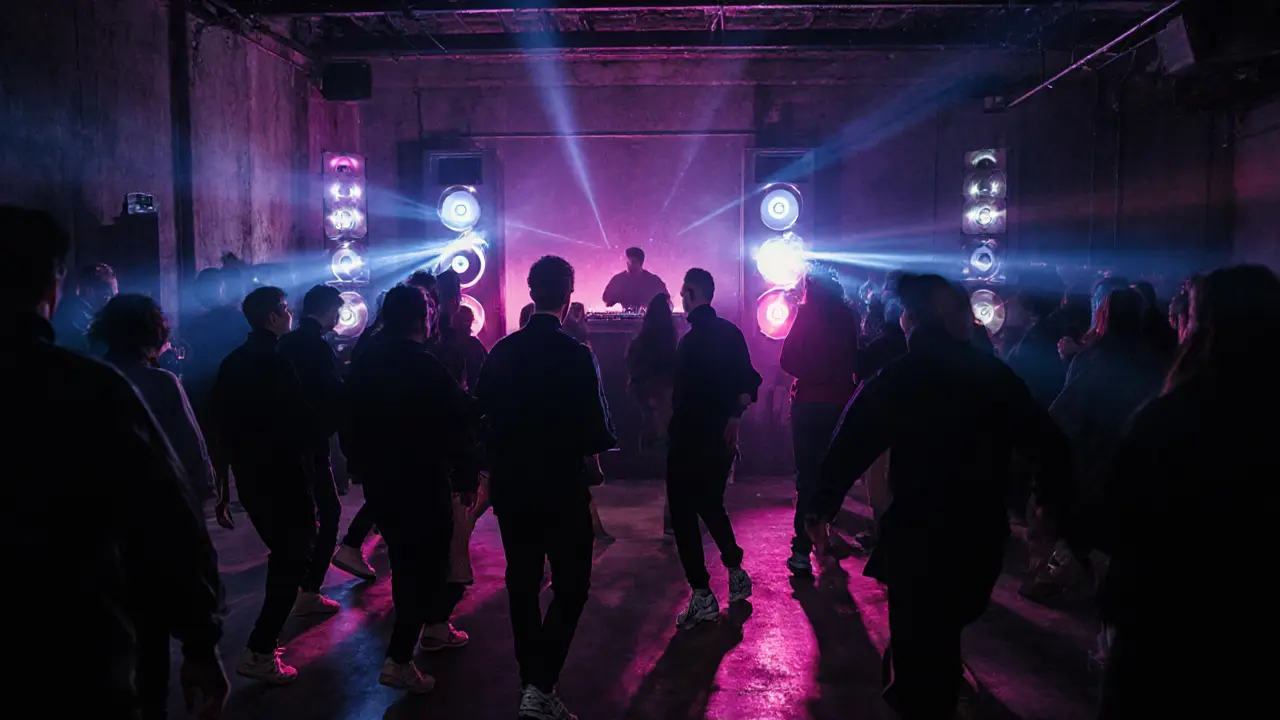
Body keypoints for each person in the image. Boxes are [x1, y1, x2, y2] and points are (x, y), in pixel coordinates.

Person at [807, 273, 1075, 720]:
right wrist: (1051, 505)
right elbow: (1048, 444)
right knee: (944, 630)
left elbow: (850, 440)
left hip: (918, 534)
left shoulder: (897, 378)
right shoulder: (993, 375)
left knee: (922, 651)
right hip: (979, 534)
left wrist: (821, 505)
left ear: (911, 321)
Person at [3, 205, 227, 719]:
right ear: (53, 284)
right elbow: (167, 512)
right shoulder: (89, 388)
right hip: (74, 636)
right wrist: (200, 639)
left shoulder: (98, 379)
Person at [1093, 265, 1280, 719]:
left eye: (1189, 314)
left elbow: (1115, 521)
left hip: (1167, 623)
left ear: (1205, 326)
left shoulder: (1172, 416)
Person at [475, 255, 617, 720]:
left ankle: (529, 682)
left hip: (513, 487)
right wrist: (592, 465)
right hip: (560, 486)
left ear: (532, 293)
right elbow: (595, 430)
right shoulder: (578, 354)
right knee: (572, 586)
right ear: (569, 296)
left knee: (521, 581)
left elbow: (480, 415)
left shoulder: (502, 351)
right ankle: (540, 685)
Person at [343, 285, 479, 693]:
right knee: (429, 567)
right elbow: (460, 418)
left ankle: (411, 648)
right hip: (424, 480)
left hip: (382, 481)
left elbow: (347, 418)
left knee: (404, 564)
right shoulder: (426, 365)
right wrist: (468, 474)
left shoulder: (367, 361)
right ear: (425, 319)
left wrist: (360, 465)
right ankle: (402, 656)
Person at [1023, 288, 1168, 602]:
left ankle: (1050, 578)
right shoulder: (1153, 359)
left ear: (1103, 314)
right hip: (1127, 456)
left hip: (1088, 454)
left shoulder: (1092, 357)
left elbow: (1067, 412)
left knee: (1063, 518)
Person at [212, 286, 318, 684]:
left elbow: (219, 427)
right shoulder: (277, 360)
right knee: (294, 554)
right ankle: (260, 648)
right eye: (286, 310)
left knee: (286, 551)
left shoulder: (233, 362)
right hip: (283, 472)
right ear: (273, 317)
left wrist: (223, 486)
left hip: (250, 474)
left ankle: (264, 644)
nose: (290, 315)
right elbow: (298, 419)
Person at [667, 268, 761, 630]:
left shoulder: (689, 343)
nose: (679, 296)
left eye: (682, 291)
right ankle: (736, 572)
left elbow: (685, 400)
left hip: (690, 440)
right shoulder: (731, 333)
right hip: (720, 440)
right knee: (710, 502)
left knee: (683, 515)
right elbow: (748, 381)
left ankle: (702, 595)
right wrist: (735, 418)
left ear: (691, 292)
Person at [91, 294, 214, 501]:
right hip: (156, 493)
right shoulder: (162, 382)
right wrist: (204, 487)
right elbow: (190, 445)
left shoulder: (90, 376)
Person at [779, 270, 858, 574]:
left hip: (807, 403)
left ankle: (802, 550)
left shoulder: (806, 315)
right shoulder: (846, 316)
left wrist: (809, 374)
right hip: (839, 402)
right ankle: (822, 534)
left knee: (807, 477)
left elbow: (786, 359)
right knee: (832, 474)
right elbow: (854, 358)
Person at [277, 285, 348, 616]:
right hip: (312, 440)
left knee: (297, 515)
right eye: (337, 310)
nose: (339, 317)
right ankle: (308, 590)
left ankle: (295, 587)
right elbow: (335, 393)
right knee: (329, 511)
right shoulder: (319, 349)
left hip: (284, 441)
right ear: (327, 310)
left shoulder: (285, 344)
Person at [626, 292, 678, 452]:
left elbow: (631, 364)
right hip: (665, 393)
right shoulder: (673, 342)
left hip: (641, 392)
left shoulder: (638, 343)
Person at [50, 261, 118, 353]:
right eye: (107, 293)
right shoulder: (73, 315)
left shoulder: (93, 314)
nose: (111, 298)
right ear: (88, 290)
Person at [602, 246, 668, 311]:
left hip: (650, 319)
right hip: (624, 319)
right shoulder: (617, 280)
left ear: (640, 263)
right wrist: (615, 302)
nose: (629, 265)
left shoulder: (654, 281)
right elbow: (606, 299)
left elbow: (667, 301)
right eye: (628, 262)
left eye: (633, 262)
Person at [454, 304, 488, 394]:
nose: (466, 325)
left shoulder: (475, 344)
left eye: (468, 322)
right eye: (464, 322)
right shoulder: (474, 344)